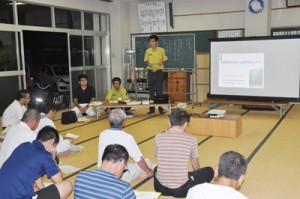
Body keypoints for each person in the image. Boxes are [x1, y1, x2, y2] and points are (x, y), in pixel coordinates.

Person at [154, 108, 214, 197]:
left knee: (156, 168)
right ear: (185, 124)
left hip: (160, 188)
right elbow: (195, 162)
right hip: (181, 190)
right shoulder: (191, 139)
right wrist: (196, 175)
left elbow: (157, 155)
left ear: (169, 123)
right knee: (209, 171)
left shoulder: (158, 137)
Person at [0, 126, 73, 199]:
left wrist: (42, 189)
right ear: (52, 141)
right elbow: (59, 180)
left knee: (36, 189)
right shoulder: (44, 155)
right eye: (55, 146)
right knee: (67, 186)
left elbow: (35, 173)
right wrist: (53, 158)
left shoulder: (24, 145)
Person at [97, 109, 154, 182]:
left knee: (125, 162)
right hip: (118, 176)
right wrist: (149, 171)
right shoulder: (127, 137)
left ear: (109, 120)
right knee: (148, 161)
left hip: (101, 172)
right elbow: (139, 159)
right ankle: (141, 173)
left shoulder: (102, 134)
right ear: (124, 122)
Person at [144, 34, 168, 114]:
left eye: (153, 41)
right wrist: (148, 63)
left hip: (158, 72)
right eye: (150, 41)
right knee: (151, 91)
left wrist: (162, 62)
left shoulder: (161, 50)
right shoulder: (148, 51)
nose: (151, 43)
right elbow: (146, 60)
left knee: (159, 90)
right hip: (150, 72)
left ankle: (160, 109)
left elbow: (165, 59)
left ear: (156, 42)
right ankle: (151, 109)